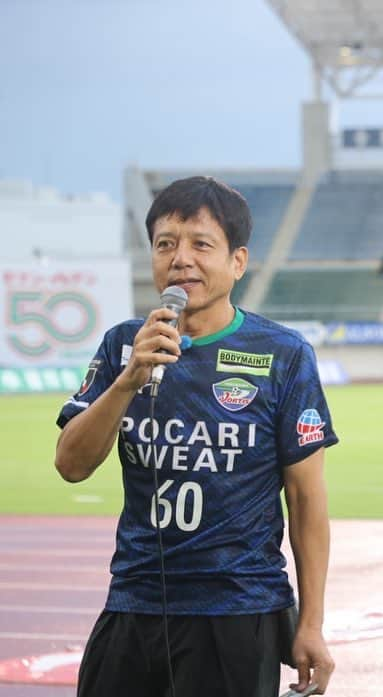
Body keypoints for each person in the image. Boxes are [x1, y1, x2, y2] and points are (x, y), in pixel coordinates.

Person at [55, 176, 337, 696]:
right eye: (166, 244)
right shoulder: (124, 345)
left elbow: (306, 498)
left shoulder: (284, 355)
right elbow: (71, 464)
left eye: (201, 244)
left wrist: (311, 624)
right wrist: (128, 381)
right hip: (133, 604)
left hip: (236, 611)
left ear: (238, 261)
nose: (180, 258)